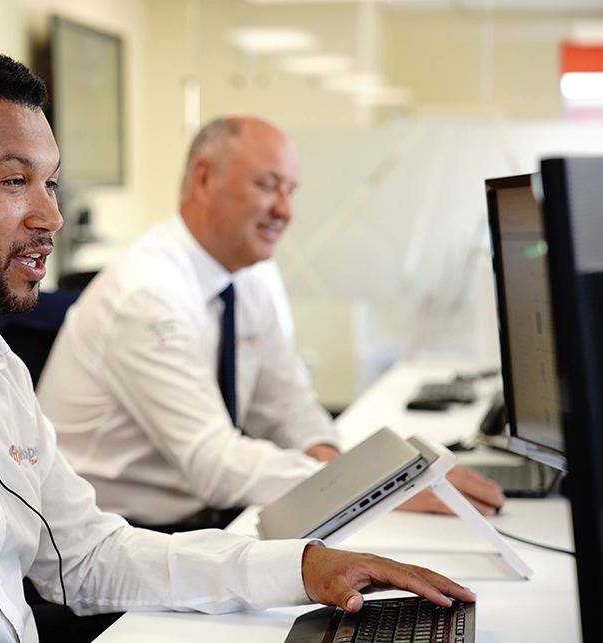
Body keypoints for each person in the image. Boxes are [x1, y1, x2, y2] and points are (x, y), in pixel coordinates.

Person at [0, 49, 476, 643]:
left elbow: (90, 555)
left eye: (53, 184)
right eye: (14, 183)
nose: (50, 217)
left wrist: (299, 567)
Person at [36, 115, 505, 532]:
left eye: (291, 190)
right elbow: (212, 463)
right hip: (112, 541)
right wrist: (368, 480)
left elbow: (284, 402)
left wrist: (331, 459)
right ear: (204, 179)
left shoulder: (250, 271)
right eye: (268, 185)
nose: (286, 210)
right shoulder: (147, 293)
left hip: (204, 521)